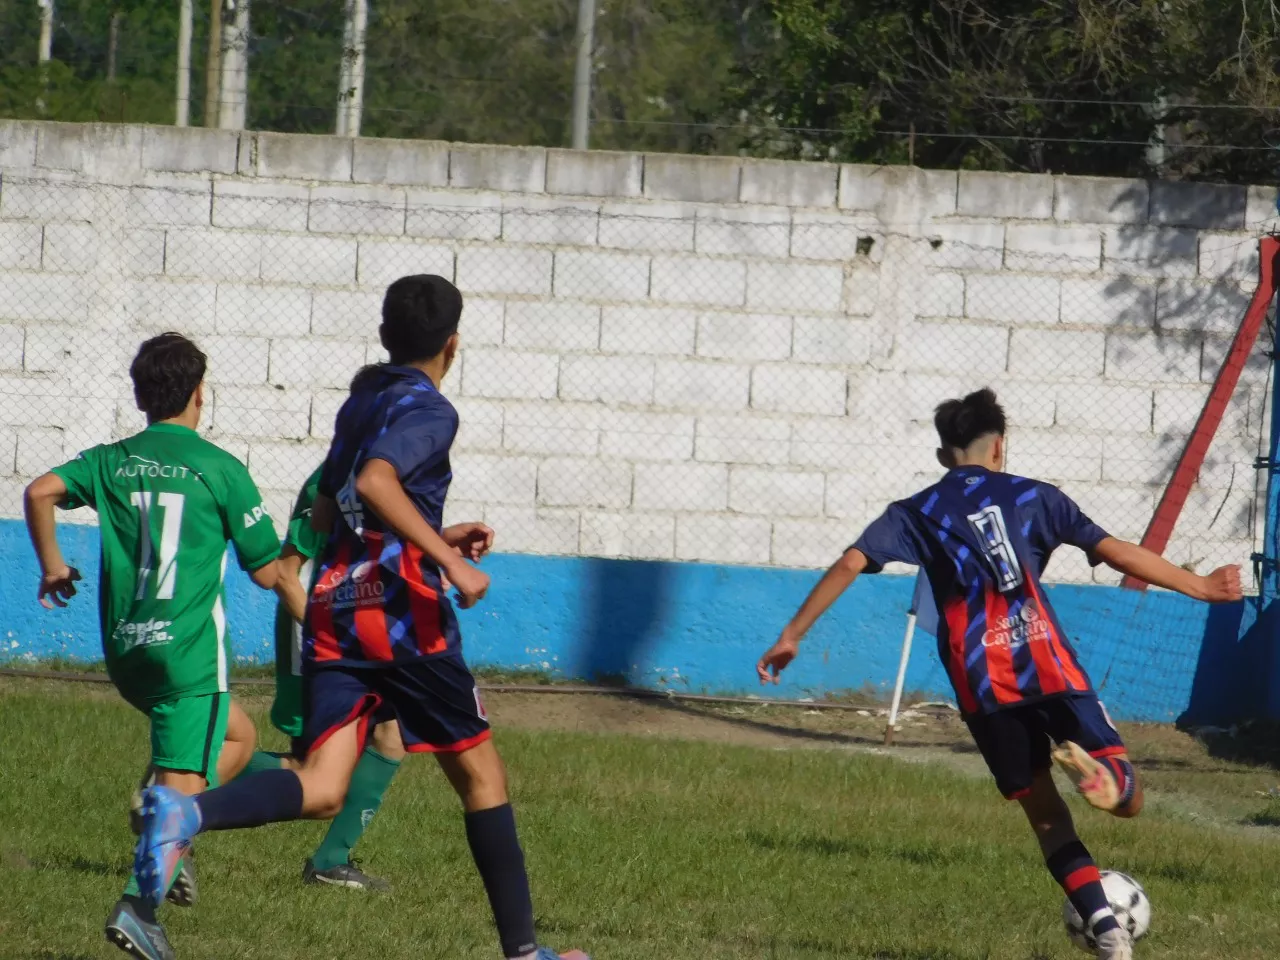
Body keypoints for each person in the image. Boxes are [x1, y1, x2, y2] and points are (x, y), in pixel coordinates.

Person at [133, 275, 587, 960]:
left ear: (384, 336)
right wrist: (449, 561)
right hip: (405, 618)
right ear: (454, 345)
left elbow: (329, 507)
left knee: (320, 786)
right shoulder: (432, 410)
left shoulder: (363, 399)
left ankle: (184, 811)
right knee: (482, 779)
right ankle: (524, 954)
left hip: (338, 609)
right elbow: (377, 481)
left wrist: (435, 532)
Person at [756, 387, 1243, 960]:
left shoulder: (914, 512)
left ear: (944, 456)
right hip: (1049, 665)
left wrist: (792, 635)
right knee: (1129, 798)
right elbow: (1115, 552)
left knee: (1044, 816)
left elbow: (850, 562)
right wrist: (1201, 587)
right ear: (1000, 447)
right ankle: (1110, 784)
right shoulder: (1037, 497)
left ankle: (1108, 936)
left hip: (982, 686)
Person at [23, 333, 283, 960]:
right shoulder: (220, 468)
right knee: (186, 784)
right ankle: (141, 907)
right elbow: (270, 570)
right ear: (200, 394)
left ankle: (162, 824)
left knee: (240, 739)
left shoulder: (113, 460)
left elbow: (39, 491)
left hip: (128, 652)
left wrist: (53, 565)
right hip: (188, 656)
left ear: (141, 397)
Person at [268, 463, 405, 890]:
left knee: (393, 735)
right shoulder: (331, 478)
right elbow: (285, 575)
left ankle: (330, 860)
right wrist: (325, 636)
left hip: (362, 634)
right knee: (313, 766)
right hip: (317, 635)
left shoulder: (390, 470)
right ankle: (193, 768)